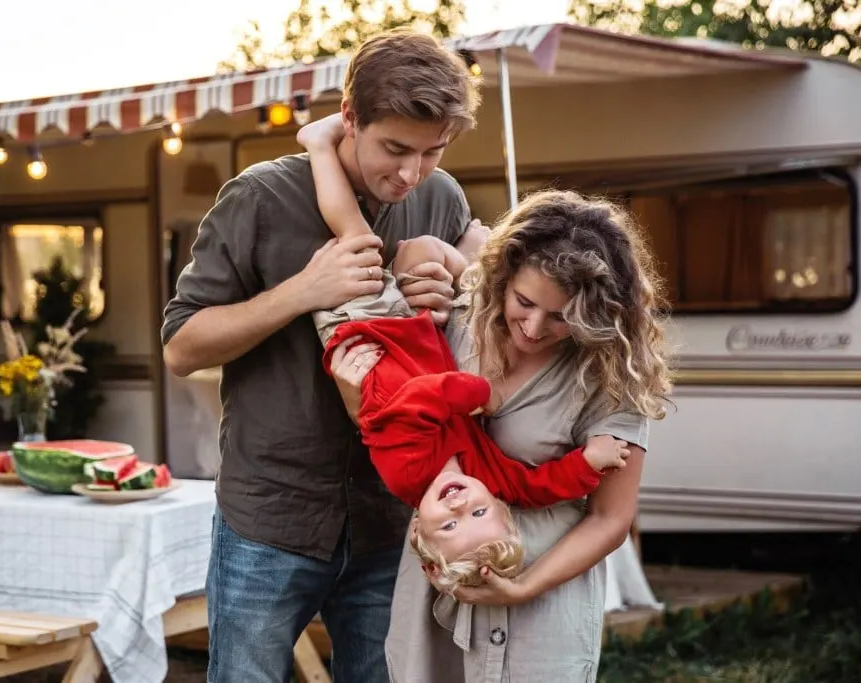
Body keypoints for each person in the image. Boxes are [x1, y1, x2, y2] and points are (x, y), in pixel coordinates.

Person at [161, 29, 483, 683]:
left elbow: (471, 336)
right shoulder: (259, 197)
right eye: (394, 148)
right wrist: (302, 291)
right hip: (270, 515)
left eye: (432, 152)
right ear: (349, 117)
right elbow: (181, 345)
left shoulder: (441, 197)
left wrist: (450, 292)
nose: (411, 173)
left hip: (391, 517)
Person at [330, 189, 673, 681]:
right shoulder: (459, 319)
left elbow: (611, 518)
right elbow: (398, 439)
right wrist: (354, 395)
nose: (533, 328)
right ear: (503, 277)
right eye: (524, 302)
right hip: (438, 589)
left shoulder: (611, 372)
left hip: (544, 601)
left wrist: (524, 587)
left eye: (561, 317)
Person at [298, 117, 632, 595]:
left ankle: (318, 147)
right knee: (379, 245)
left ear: (418, 529)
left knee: (356, 237)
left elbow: (414, 403)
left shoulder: (407, 474)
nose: (460, 507)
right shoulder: (488, 479)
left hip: (365, 338)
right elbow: (535, 488)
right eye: (479, 514)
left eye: (449, 526)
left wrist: (477, 393)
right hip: (413, 338)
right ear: (498, 506)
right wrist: (589, 462)